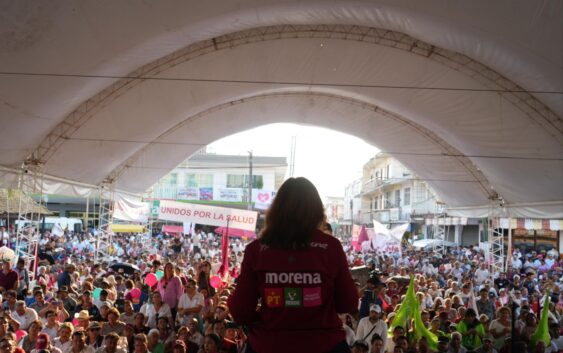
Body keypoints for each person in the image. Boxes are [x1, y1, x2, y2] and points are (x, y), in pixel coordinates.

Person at [228, 177, 359, 353]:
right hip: (324, 344)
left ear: (276, 210)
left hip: (269, 343)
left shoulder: (256, 250)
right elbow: (348, 303)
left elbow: (240, 311)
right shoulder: (330, 247)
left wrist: (266, 318)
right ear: (317, 211)